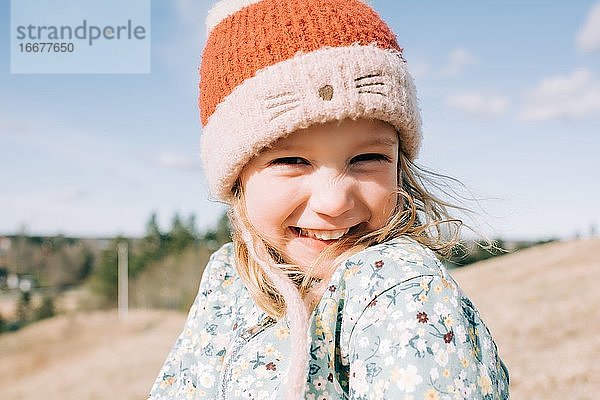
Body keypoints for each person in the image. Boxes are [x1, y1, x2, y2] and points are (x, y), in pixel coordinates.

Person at [149, 0, 510, 399]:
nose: (335, 201)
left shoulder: (401, 289)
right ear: (237, 178)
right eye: (291, 160)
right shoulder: (226, 277)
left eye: (367, 158)